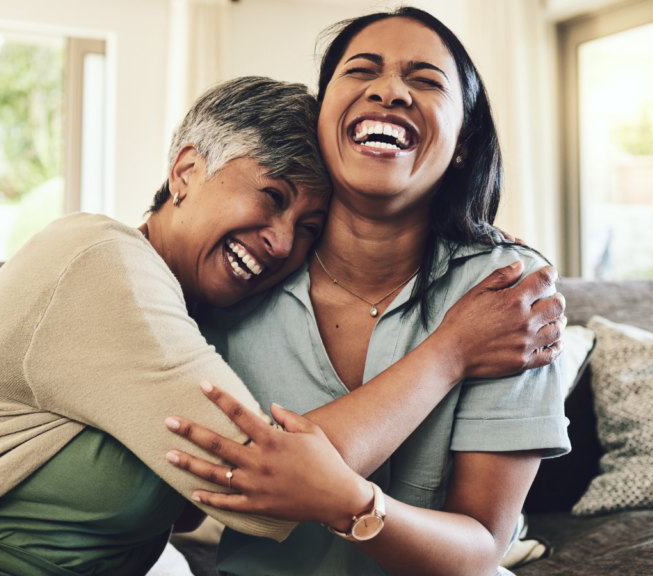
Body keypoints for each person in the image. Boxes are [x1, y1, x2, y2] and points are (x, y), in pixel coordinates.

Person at [0, 76, 561, 576]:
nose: (281, 241)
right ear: (185, 171)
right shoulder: (98, 259)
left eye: (308, 227)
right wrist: (451, 348)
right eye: (270, 197)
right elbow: (257, 486)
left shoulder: (199, 322)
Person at [165, 7, 571, 576]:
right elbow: (185, 498)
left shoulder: (505, 293)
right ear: (321, 115)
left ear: (462, 141)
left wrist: (354, 504)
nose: (390, 91)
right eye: (361, 71)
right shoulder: (241, 270)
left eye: (426, 80)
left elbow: (482, 545)